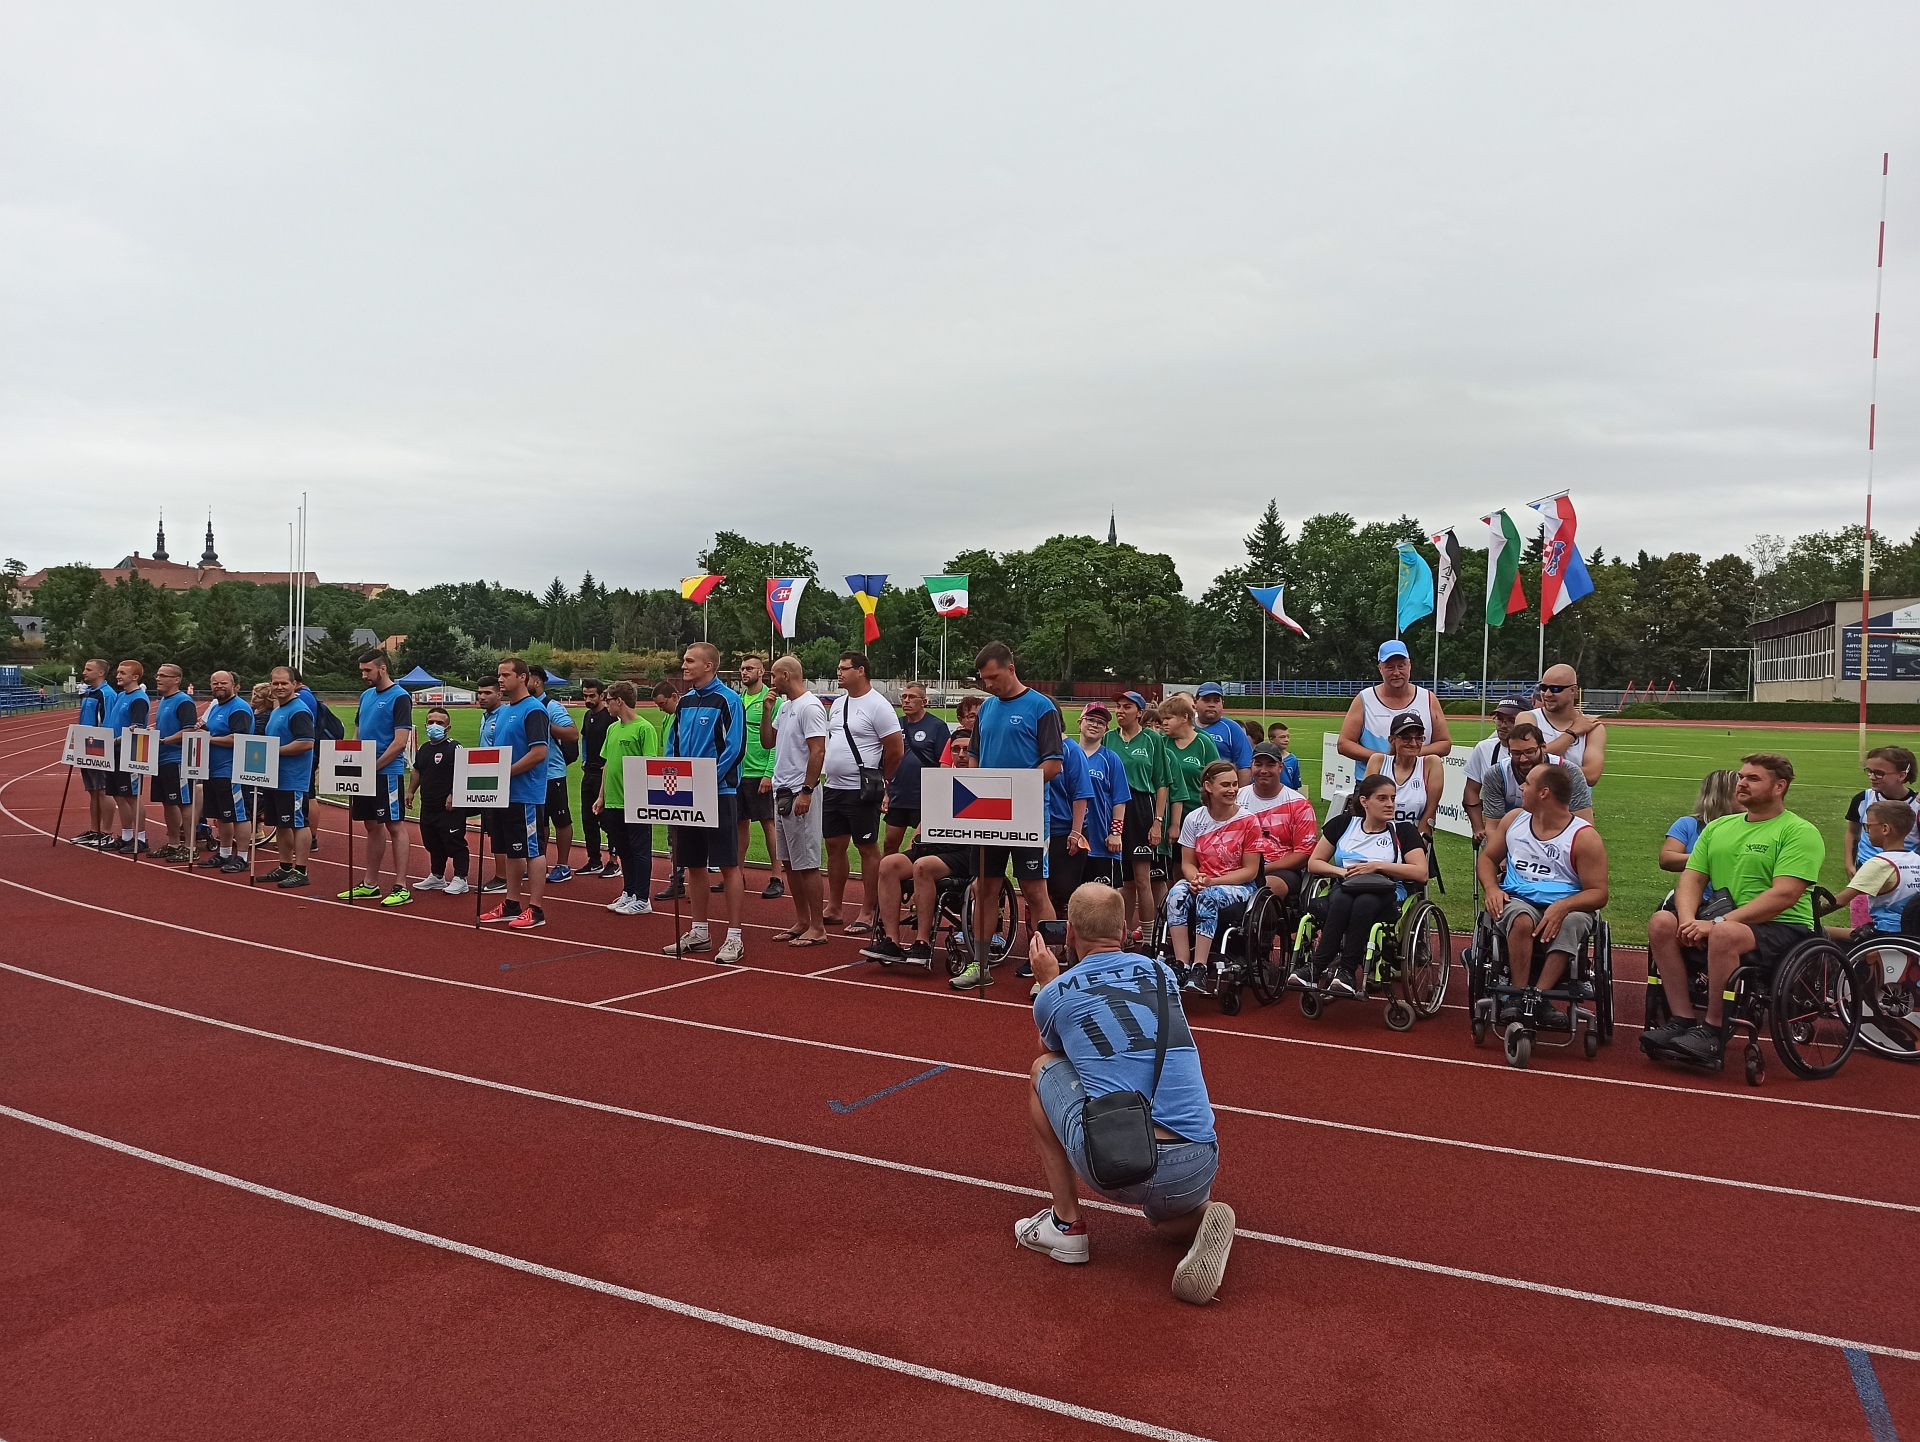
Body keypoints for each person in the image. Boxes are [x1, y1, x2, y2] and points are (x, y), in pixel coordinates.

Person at [1018, 883, 1236, 1306]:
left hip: (1121, 1162)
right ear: (1123, 929)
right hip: (1197, 1160)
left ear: (1069, 933)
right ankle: (1201, 1216)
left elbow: (1055, 1050)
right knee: (1162, 1219)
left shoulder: (1055, 994)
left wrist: (1049, 983)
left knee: (1042, 1070)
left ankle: (1066, 1227)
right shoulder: (1162, 973)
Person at [1642, 753, 1825, 1068]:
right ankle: (1681, 1019)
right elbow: (1692, 879)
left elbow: (1784, 895)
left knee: (1725, 933)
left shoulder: (1799, 831)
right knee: (1662, 922)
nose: (1742, 783)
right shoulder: (1719, 827)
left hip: (1783, 927)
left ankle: (1714, 1029)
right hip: (1724, 920)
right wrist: (1688, 920)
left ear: (1779, 786)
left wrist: (1717, 922)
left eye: (1753, 778)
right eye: (1741, 777)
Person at [958, 642, 1064, 991]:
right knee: (984, 888)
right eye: (983, 679)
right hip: (987, 814)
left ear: (1010, 669)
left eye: (993, 677)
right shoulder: (987, 709)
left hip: (1028, 815)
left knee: (1034, 891)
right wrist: (976, 786)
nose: (988, 685)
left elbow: (1053, 764)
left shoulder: (1041, 707)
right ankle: (980, 962)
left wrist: (1013, 788)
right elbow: (974, 757)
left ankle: (1047, 972)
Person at [1476, 764, 1609, 1028]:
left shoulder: (1584, 837)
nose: (1521, 788)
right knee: (1521, 919)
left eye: (1527, 783)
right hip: (1519, 899)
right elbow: (1488, 858)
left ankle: (1538, 997)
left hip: (1569, 904)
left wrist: (1564, 906)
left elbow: (1599, 893)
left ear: (1544, 793)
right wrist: (1492, 888)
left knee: (1571, 922)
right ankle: (1518, 993)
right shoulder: (1514, 820)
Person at [1292, 773, 1428, 998]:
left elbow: (1421, 873)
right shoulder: (1343, 825)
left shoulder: (1403, 831)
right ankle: (1318, 967)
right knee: (1342, 900)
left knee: (1364, 902)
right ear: (1364, 801)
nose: (1390, 804)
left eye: (1393, 798)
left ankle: (1345, 971)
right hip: (1346, 885)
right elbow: (1314, 863)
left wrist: (1376, 866)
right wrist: (1342, 872)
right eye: (1382, 798)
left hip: (1387, 889)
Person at [662, 642, 747, 964]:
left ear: (708, 666)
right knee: (693, 864)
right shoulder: (684, 702)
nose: (683, 666)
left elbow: (735, 748)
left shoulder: (728, 700)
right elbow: (672, 745)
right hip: (686, 795)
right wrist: (674, 779)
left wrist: (708, 780)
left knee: (728, 864)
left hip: (719, 792)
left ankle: (734, 936)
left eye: (689, 661)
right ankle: (699, 932)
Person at [865, 729, 980, 966]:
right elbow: (926, 819)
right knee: (888, 864)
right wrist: (910, 847)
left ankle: (922, 942)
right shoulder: (940, 782)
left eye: (966, 750)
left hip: (964, 852)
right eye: (955, 750)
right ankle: (891, 941)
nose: (960, 755)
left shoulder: (985, 782)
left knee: (922, 866)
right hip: (934, 847)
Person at [821, 651, 904, 935]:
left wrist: (883, 778)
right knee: (834, 846)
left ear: (861, 671)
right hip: (833, 787)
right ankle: (834, 906)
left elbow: (895, 749)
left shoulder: (878, 706)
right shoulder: (838, 704)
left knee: (867, 848)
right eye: (838, 668)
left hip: (862, 790)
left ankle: (868, 910)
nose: (839, 673)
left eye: (844, 668)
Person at [1164, 761, 1260, 978]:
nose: (1232, 790)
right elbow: (1187, 863)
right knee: (1176, 892)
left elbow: (1250, 871)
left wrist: (1211, 883)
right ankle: (1181, 963)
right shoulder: (1194, 819)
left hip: (1239, 886)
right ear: (1208, 786)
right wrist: (1196, 879)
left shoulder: (1249, 821)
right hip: (1204, 882)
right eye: (1225, 785)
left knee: (1208, 896)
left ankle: (1200, 966)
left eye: (1235, 784)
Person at [336, 648, 416, 905]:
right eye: (361, 670)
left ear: (383, 668)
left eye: (367, 670)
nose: (364, 675)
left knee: (394, 825)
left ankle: (401, 886)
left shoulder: (400, 697)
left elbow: (400, 742)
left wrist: (374, 767)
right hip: (365, 772)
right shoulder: (366, 695)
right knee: (371, 825)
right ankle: (370, 883)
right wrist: (351, 763)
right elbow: (358, 732)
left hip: (387, 773)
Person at [478, 657, 553, 930]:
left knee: (532, 850)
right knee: (513, 850)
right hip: (503, 793)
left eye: (506, 674)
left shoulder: (533, 710)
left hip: (525, 794)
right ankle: (511, 903)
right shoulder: (504, 711)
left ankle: (536, 908)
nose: (500, 679)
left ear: (522, 677)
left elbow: (539, 752)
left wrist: (505, 773)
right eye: (499, 674)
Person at [762, 656, 830, 947]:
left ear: (786, 676)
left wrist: (807, 790)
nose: (771, 681)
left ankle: (818, 927)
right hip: (782, 793)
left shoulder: (810, 707)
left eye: (773, 675)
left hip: (798, 793)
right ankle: (802, 920)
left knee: (807, 863)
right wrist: (767, 711)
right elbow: (768, 742)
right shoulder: (785, 706)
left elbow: (818, 751)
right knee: (789, 861)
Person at [1105, 691, 1170, 945]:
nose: (1120, 711)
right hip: (1114, 808)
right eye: (1118, 706)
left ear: (1140, 713)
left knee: (1143, 879)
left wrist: (1157, 822)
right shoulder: (1109, 738)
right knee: (1122, 882)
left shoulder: (1153, 739)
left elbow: (1162, 783)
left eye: (1127, 707)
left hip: (1142, 807)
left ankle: (1149, 938)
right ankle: (1122, 935)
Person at [592, 681, 659, 914]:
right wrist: (601, 796)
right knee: (624, 850)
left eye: (608, 700)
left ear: (619, 701)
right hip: (614, 800)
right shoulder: (612, 728)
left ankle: (642, 897)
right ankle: (629, 892)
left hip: (636, 802)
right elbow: (607, 765)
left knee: (639, 850)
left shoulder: (644, 728)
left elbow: (649, 765)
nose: (606, 705)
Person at [1337, 640, 1452, 768]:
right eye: (1390, 667)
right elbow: (1344, 744)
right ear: (1380, 669)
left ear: (1409, 665)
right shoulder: (1365, 699)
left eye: (1401, 666)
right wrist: (1383, 759)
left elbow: (1444, 744)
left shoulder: (1428, 698)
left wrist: (1407, 754)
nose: (1396, 673)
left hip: (1417, 778)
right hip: (1373, 777)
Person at [1236, 742, 1318, 904]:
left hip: (1281, 870)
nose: (1263, 770)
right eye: (1258, 764)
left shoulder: (1299, 804)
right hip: (1237, 866)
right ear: (1251, 766)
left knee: (1262, 889)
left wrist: (1260, 870)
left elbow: (1303, 854)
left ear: (1280, 767)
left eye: (1270, 765)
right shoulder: (1236, 798)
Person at [1829, 801, 1920, 946]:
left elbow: (1839, 901)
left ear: (1885, 829)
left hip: (1885, 934)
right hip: (1913, 933)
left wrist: (1809, 914)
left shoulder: (1881, 864)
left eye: (1868, 826)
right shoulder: (1916, 860)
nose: (1867, 831)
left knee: (1819, 931)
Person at [1156, 694, 1219, 902]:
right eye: (1162, 719)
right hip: (1169, 817)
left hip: (1199, 816)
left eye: (1168, 718)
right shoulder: (1162, 743)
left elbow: (1216, 776)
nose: (1164, 723)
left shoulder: (1203, 742)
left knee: (1197, 865)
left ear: (1184, 717)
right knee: (1173, 866)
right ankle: (1174, 906)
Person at [736, 655, 786, 900]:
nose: (744, 672)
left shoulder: (773, 700)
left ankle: (777, 877)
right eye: (742, 668)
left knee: (769, 824)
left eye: (749, 668)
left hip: (760, 773)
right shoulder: (738, 700)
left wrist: (769, 773)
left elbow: (776, 740)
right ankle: (737, 875)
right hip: (738, 772)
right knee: (739, 824)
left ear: (761, 671)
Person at [1477, 723, 1594, 827]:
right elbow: (1494, 827)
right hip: (1510, 835)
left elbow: (1583, 823)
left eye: (1529, 752)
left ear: (1543, 747)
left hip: (1557, 835)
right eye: (1516, 753)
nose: (1523, 759)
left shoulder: (1568, 772)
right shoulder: (1497, 775)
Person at [195, 670, 254, 873]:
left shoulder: (239, 708)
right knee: (222, 816)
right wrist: (203, 730)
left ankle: (243, 857)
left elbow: (238, 738)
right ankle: (225, 853)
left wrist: (208, 738)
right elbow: (214, 732)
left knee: (239, 815)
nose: (218, 686)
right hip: (213, 770)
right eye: (214, 683)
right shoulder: (215, 707)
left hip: (231, 771)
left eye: (223, 682)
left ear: (234, 686)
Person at [407, 706, 469, 895]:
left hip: (449, 807)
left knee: (455, 842)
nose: (434, 725)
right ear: (425, 724)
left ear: (447, 727)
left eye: (439, 723)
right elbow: (417, 770)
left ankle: (461, 878)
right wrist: (410, 791)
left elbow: (463, 772)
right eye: (431, 722)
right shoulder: (424, 749)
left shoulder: (454, 747)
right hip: (429, 805)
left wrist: (454, 794)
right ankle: (437, 876)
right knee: (432, 842)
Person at [263, 667, 316, 888]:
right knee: (281, 825)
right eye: (275, 683)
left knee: (298, 823)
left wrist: (273, 751)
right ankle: (285, 866)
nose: (279, 687)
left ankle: (301, 870)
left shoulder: (299, 710)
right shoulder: (278, 710)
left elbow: (306, 743)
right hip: (275, 777)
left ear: (294, 684)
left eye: (284, 683)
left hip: (293, 779)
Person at [526, 667, 580, 883]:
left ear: (537, 682)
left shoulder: (551, 706)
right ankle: (540, 863)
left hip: (552, 773)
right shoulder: (523, 706)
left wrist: (544, 724)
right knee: (539, 823)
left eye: (526, 678)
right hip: (531, 775)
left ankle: (563, 865)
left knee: (561, 820)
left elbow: (573, 734)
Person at [884, 681, 949, 856]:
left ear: (924, 701)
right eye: (904, 697)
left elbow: (944, 762)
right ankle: (888, 873)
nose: (906, 700)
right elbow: (887, 759)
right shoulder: (895, 725)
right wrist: (886, 792)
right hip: (899, 794)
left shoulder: (937, 726)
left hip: (924, 796)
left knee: (924, 846)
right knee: (889, 843)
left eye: (912, 697)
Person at [1517, 665, 1606, 786]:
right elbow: (1527, 761)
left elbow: (1591, 776)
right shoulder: (1527, 718)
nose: (1547, 694)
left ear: (1573, 690)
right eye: (1543, 688)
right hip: (1535, 798)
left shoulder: (1593, 727)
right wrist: (1572, 733)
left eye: (1555, 689)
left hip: (1576, 799)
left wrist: (1543, 764)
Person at [1073, 703, 1131, 888]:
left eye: (1101, 722)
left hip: (1100, 840)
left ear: (1106, 729)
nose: (1095, 725)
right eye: (1090, 719)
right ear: (1080, 723)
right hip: (1071, 839)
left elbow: (1120, 800)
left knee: (1103, 897)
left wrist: (1115, 832)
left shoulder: (1110, 759)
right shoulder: (1067, 755)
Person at [1363, 711, 1444, 841]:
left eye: (1419, 738)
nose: (1413, 743)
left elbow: (1430, 811)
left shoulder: (1431, 763)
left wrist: (1418, 844)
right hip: (1378, 835)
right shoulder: (1378, 761)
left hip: (1413, 837)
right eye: (1406, 738)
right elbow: (1367, 804)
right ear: (1392, 740)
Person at [1660, 770, 1739, 900]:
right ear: (1722, 795)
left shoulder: (1752, 826)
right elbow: (1666, 859)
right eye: (1739, 790)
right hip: (1699, 900)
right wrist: (1710, 857)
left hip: (1741, 901)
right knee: (1665, 914)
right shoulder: (1688, 824)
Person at [1844, 746, 1920, 879]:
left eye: (1879, 773)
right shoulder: (1863, 799)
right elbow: (1853, 833)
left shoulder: (1917, 804)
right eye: (1869, 771)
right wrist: (1849, 863)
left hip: (1904, 873)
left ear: (1902, 775)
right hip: (1867, 866)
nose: (1872, 777)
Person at [1044, 720, 1095, 917]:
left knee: (1064, 895)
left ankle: (1067, 936)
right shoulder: (1036, 748)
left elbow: (1081, 794)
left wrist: (1076, 832)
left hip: (1063, 832)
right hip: (1039, 831)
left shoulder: (1071, 751)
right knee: (1038, 892)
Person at [149, 662, 199, 862]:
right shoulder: (164, 700)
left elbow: (189, 730)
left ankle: (190, 847)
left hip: (176, 759)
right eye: (158, 675)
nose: (158, 678)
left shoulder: (183, 701)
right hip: (161, 759)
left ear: (176, 680)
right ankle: (173, 844)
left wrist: (163, 740)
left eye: (163, 675)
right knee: (168, 803)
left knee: (183, 802)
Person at [101, 659, 150, 854]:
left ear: (135, 677)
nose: (118, 675)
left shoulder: (139, 699)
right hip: (113, 751)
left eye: (123, 673)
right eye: (118, 672)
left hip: (128, 753)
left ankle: (141, 839)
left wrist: (115, 741)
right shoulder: (121, 696)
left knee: (131, 796)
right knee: (118, 796)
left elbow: (136, 728)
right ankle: (127, 835)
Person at [1462, 697, 1524, 842]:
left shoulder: (1537, 751)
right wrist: (1478, 828)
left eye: (1511, 720)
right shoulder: (1484, 748)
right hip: (1493, 828)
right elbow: (1471, 790)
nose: (1503, 725)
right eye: (1499, 719)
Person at [576, 679, 616, 879]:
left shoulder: (610, 717)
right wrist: (584, 758)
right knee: (588, 820)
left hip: (604, 774)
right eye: (585, 696)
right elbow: (584, 737)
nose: (588, 699)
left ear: (602, 696)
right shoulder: (587, 715)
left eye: (592, 696)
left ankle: (614, 862)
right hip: (589, 773)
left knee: (608, 821)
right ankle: (594, 860)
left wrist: (607, 764)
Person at [73, 658, 116, 845]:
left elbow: (108, 722)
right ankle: (94, 830)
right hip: (86, 747)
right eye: (85, 669)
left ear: (101, 672)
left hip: (99, 748)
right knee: (93, 790)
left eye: (89, 669)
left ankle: (106, 832)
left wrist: (103, 746)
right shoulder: (89, 693)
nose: (84, 672)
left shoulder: (107, 694)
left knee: (103, 790)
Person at [653, 681, 687, 902]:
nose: (660, 709)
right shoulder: (669, 717)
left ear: (674, 697)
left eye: (662, 704)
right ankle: (677, 880)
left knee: (694, 835)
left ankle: (695, 881)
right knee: (673, 834)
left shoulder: (686, 716)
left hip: (686, 778)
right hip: (671, 778)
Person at [474, 676, 509, 893]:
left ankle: (503, 876)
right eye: (479, 693)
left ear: (499, 694)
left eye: (487, 693)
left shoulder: (504, 715)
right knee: (493, 828)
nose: (482, 697)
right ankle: (504, 874)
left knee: (500, 829)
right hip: (486, 778)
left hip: (499, 779)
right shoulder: (485, 717)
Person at [1193, 683, 1254, 786]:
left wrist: (1240, 794)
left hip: (1222, 791)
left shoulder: (1232, 728)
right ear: (1195, 702)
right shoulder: (1186, 727)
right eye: (1206, 700)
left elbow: (1244, 765)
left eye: (1216, 701)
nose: (1211, 705)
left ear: (1222, 704)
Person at [1264, 722, 1303, 792]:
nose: (1286, 740)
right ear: (1271, 739)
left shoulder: (1292, 760)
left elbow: (1295, 786)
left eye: (1288, 736)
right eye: (1282, 737)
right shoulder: (1263, 758)